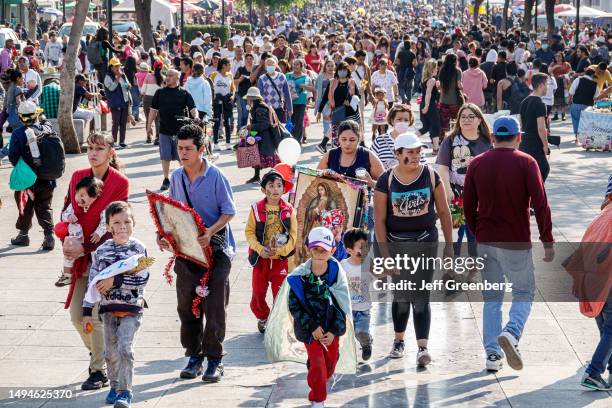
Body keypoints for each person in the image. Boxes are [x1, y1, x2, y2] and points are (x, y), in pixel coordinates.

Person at [463, 116, 554, 372]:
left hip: (486, 240)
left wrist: (477, 231)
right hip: (516, 241)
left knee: (492, 298)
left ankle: (493, 355)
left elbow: (468, 206)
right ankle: (512, 333)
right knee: (524, 292)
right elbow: (540, 203)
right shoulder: (527, 162)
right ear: (519, 138)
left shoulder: (477, 164)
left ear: (492, 138)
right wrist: (547, 239)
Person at [158, 123, 235, 383]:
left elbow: (229, 211)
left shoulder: (216, 176)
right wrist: (164, 235)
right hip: (187, 251)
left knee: (214, 306)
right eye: (180, 148)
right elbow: (171, 212)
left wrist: (210, 231)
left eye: (189, 148)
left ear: (201, 149)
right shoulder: (177, 177)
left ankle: (215, 359)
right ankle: (194, 355)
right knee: (186, 305)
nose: (183, 153)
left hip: (216, 248)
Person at [373, 132, 452, 364]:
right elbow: (379, 221)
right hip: (397, 244)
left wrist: (449, 246)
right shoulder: (386, 180)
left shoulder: (431, 175)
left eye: (419, 151)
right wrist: (385, 254)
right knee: (401, 294)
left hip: (426, 242)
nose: (416, 156)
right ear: (398, 154)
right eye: (410, 152)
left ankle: (422, 348)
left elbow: (444, 213)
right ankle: (398, 341)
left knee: (421, 296)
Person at [63, 133, 129, 391]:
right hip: (79, 258)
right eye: (90, 148)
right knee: (77, 316)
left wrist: (87, 247)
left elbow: (117, 224)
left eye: (100, 148)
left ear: (111, 152)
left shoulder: (119, 182)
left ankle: (98, 370)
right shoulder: (77, 176)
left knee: (95, 316)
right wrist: (69, 242)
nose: (93, 153)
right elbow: (67, 211)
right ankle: (100, 355)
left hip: (106, 260)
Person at [83, 201, 149, 408]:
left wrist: (116, 281)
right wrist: (86, 311)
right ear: (109, 226)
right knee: (110, 353)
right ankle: (113, 385)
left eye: (127, 221)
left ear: (134, 223)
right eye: (116, 222)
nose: (122, 226)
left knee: (125, 349)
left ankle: (125, 392)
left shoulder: (139, 248)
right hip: (108, 310)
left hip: (132, 308)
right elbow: (93, 282)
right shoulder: (102, 251)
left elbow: (143, 278)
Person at [287, 226, 350, 407]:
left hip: (332, 330)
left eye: (324, 249)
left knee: (329, 365)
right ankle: (317, 398)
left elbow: (342, 306)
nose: (320, 253)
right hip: (309, 330)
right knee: (318, 363)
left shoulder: (338, 276)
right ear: (308, 248)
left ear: (333, 249)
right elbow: (295, 306)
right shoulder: (300, 277)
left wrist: (333, 331)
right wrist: (312, 326)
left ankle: (319, 375)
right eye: (316, 249)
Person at [436, 103, 492, 257]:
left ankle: (474, 269)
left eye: (471, 116)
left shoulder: (487, 141)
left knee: (476, 235)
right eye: (463, 116)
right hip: (456, 195)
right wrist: (447, 191)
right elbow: (442, 168)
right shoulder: (450, 140)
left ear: (479, 120)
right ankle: (452, 267)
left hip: (480, 197)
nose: (466, 120)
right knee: (456, 234)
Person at [245, 170, 297, 333]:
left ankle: (278, 320)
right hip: (260, 260)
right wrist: (260, 249)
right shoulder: (256, 209)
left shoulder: (289, 209)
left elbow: (294, 236)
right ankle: (263, 317)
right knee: (258, 294)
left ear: (284, 189)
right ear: (263, 189)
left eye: (279, 186)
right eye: (271, 186)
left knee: (280, 294)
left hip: (281, 260)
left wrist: (282, 250)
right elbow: (249, 232)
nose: (275, 189)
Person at [8, 101, 64, 250]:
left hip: (28, 180)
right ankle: (49, 235)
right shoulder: (47, 129)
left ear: (20, 118)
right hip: (48, 179)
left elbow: (13, 157)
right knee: (44, 206)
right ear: (36, 115)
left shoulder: (18, 134)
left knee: (25, 206)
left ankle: (23, 235)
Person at [147, 69, 198, 191]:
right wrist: (149, 126)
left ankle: (184, 179)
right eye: (167, 75)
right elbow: (153, 110)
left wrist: (196, 117)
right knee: (165, 157)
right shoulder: (160, 92)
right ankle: (166, 179)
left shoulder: (184, 93)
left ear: (177, 78)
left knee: (182, 157)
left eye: (170, 76)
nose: (167, 78)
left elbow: (192, 108)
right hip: (164, 130)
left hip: (180, 132)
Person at [54, 176, 106, 287]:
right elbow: (64, 215)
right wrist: (69, 217)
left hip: (90, 238)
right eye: (79, 194)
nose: (80, 199)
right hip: (75, 237)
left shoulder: (99, 207)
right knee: (68, 254)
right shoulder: (73, 205)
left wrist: (99, 233)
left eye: (85, 197)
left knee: (97, 255)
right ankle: (67, 275)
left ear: (95, 198)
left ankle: (97, 275)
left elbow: (105, 221)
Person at [340, 228, 373, 361]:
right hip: (348, 309)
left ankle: (366, 343)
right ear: (349, 251)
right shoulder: (343, 266)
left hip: (364, 308)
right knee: (345, 334)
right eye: (361, 247)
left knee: (361, 332)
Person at [317, 120, 384, 185]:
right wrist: (323, 175)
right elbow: (315, 179)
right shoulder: (330, 155)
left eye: (352, 140)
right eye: (344, 139)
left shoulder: (368, 155)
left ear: (359, 139)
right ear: (338, 139)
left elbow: (385, 185)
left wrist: (371, 183)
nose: (347, 143)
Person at [316, 62, 360, 150]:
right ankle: (329, 149)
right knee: (336, 134)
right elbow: (325, 98)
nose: (342, 71)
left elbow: (358, 96)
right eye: (340, 69)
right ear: (337, 71)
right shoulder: (332, 82)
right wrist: (319, 111)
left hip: (351, 113)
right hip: (338, 111)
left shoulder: (352, 82)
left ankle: (354, 151)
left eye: (344, 69)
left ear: (348, 71)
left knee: (350, 134)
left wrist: (350, 100)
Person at [243, 87, 282, 183]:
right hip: (260, 137)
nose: (247, 100)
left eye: (249, 98)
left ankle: (279, 175)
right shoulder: (258, 107)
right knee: (257, 157)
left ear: (253, 98)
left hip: (265, 138)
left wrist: (251, 126)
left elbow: (264, 124)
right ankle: (257, 176)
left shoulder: (260, 109)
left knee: (270, 158)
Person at [519, 73, 550, 182]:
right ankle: (536, 194)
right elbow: (541, 128)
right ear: (541, 85)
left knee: (527, 171)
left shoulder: (524, 101)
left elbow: (521, 124)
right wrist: (545, 145)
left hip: (524, 142)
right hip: (535, 143)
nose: (548, 87)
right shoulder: (540, 104)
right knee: (544, 169)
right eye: (547, 84)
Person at [372, 103, 416, 170]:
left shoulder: (414, 141)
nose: (402, 122)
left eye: (406, 120)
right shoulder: (380, 141)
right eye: (399, 119)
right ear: (392, 121)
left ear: (410, 122)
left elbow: (422, 166)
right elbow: (370, 163)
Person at [256, 56, 292, 125]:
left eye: (272, 64)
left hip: (279, 108)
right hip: (266, 109)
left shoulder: (282, 77)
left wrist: (290, 109)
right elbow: (259, 95)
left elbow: (287, 93)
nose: (270, 66)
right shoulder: (262, 78)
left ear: (276, 65)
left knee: (280, 129)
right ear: (265, 66)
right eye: (268, 64)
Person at [416, 59, 442, 154]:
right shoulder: (432, 80)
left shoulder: (425, 79)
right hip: (430, 104)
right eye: (435, 68)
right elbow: (428, 94)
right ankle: (436, 148)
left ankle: (411, 138)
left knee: (426, 127)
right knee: (436, 126)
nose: (437, 69)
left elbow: (430, 92)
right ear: (431, 69)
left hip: (424, 103)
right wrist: (427, 106)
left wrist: (438, 88)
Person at [104, 58, 131, 148]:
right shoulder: (108, 77)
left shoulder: (122, 75)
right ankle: (114, 142)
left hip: (125, 101)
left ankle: (122, 142)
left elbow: (127, 85)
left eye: (118, 65)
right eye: (116, 66)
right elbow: (111, 88)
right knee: (116, 123)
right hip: (115, 103)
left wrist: (128, 85)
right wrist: (117, 78)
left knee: (123, 123)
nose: (118, 67)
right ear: (111, 67)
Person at [286, 59, 313, 143]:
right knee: (289, 121)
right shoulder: (287, 75)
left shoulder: (306, 77)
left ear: (302, 67)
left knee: (298, 122)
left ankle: (297, 141)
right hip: (288, 102)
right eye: (294, 64)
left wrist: (304, 86)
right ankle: (288, 140)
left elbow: (312, 89)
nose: (295, 66)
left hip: (301, 102)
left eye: (297, 64)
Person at [569, 67, 598, 144]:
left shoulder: (578, 79)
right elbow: (596, 97)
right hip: (588, 106)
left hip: (576, 103)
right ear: (592, 75)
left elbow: (571, 92)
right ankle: (586, 138)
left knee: (576, 120)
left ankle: (577, 137)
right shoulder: (595, 84)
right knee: (587, 122)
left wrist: (570, 101)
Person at [438, 53, 463, 136]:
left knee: (444, 123)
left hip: (443, 100)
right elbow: (459, 85)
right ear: (455, 61)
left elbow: (440, 86)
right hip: (455, 101)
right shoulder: (457, 71)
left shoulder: (442, 70)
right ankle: (455, 135)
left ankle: (444, 138)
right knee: (457, 120)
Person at [314, 59, 335, 152]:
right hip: (324, 104)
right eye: (328, 66)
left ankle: (329, 143)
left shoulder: (336, 76)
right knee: (326, 124)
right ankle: (325, 144)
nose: (330, 68)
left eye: (332, 65)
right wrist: (318, 108)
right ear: (325, 67)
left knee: (334, 123)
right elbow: (317, 91)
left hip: (334, 103)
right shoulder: (320, 77)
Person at [140, 60, 164, 144]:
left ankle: (148, 137)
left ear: (153, 67)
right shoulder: (163, 78)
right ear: (162, 67)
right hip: (159, 99)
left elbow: (143, 90)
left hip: (147, 99)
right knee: (158, 119)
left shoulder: (148, 76)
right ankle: (158, 137)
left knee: (148, 118)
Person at [233, 53, 255, 130]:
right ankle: (241, 132)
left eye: (250, 59)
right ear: (244, 60)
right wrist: (240, 79)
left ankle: (252, 134)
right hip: (242, 95)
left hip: (253, 97)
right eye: (247, 59)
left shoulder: (255, 69)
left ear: (253, 60)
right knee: (243, 115)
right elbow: (234, 82)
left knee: (253, 115)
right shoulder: (241, 69)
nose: (249, 60)